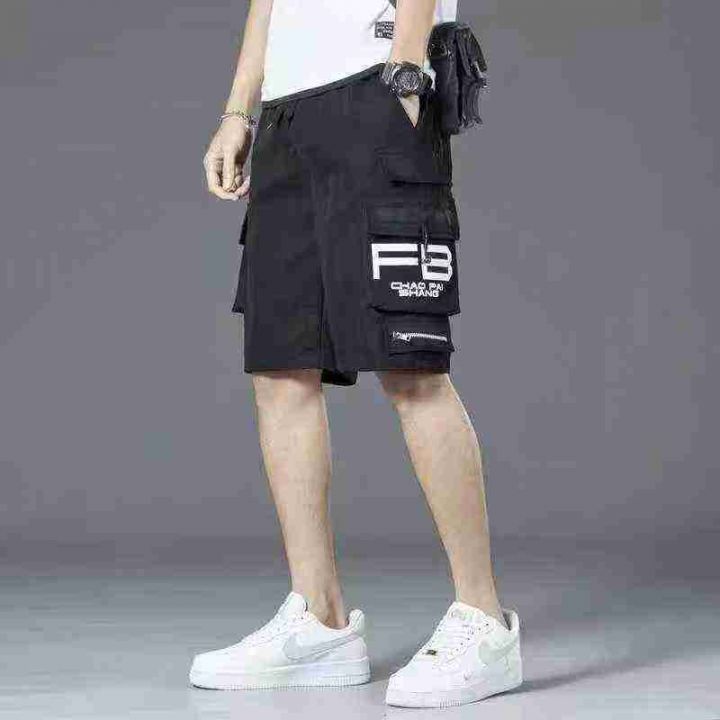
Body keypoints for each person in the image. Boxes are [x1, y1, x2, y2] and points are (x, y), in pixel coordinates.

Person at [190, 0, 522, 708]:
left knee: (411, 369)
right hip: (287, 116)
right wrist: (238, 110)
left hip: (377, 90)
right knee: (281, 369)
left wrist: (406, 67)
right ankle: (320, 621)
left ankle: (485, 621)